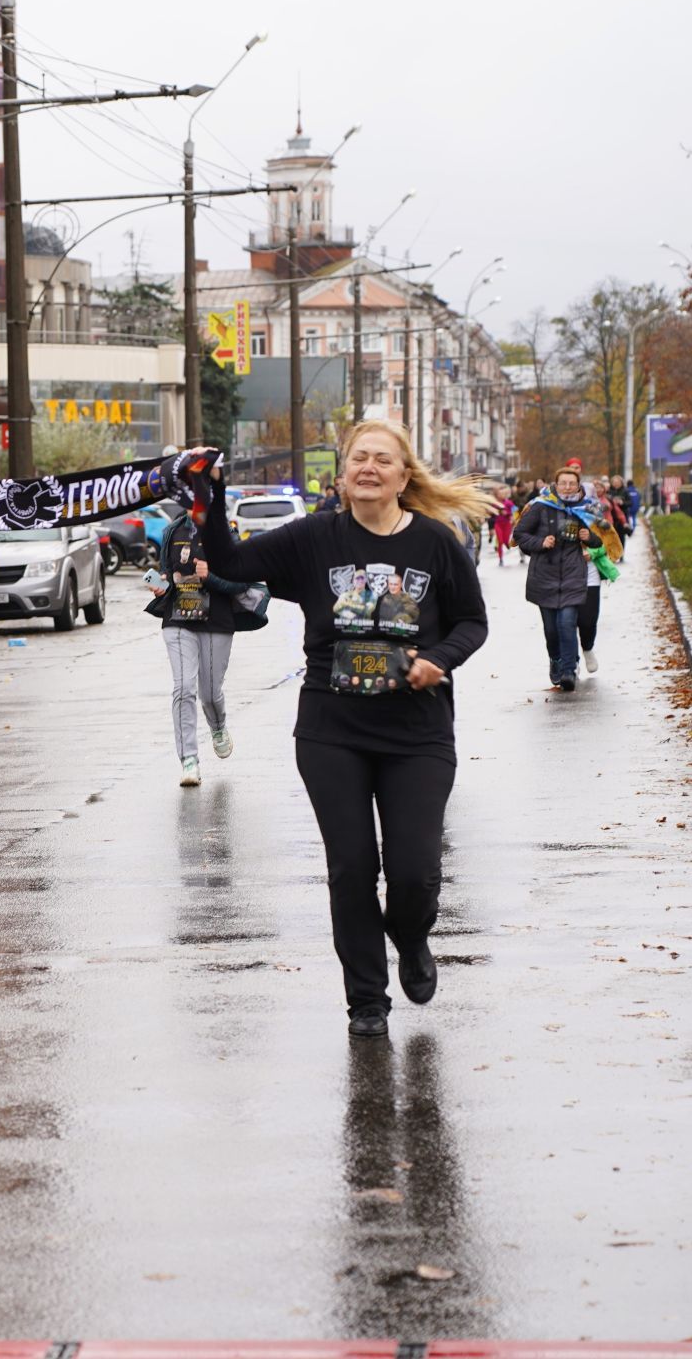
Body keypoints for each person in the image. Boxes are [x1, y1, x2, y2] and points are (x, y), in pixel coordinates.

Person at [198, 421, 491, 1039]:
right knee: (352, 868)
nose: (369, 468)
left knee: (413, 871)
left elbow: (472, 621)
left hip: (418, 733)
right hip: (332, 730)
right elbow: (230, 564)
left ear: (403, 476)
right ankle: (366, 1000)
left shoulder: (436, 543)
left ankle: (411, 936)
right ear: (342, 474)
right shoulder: (314, 538)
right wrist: (211, 494)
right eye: (360, 458)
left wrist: (439, 659)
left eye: (383, 459)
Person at [146, 512, 244, 786]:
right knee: (183, 688)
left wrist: (210, 577)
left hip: (216, 620)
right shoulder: (172, 531)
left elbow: (241, 582)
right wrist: (162, 585)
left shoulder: (226, 532)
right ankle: (189, 760)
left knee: (209, 694)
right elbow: (167, 572)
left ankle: (218, 726)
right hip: (178, 619)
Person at [515, 465, 600, 691]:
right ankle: (556, 659)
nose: (567, 487)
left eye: (572, 483)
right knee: (551, 629)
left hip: (573, 575)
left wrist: (589, 537)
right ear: (556, 484)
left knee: (567, 623)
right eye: (563, 483)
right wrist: (540, 543)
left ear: (578, 486)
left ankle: (569, 670)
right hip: (545, 575)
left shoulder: (586, 508)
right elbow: (520, 534)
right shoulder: (541, 506)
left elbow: (603, 538)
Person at [489, 484, 519, 565]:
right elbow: (490, 513)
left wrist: (511, 516)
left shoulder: (508, 502)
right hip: (498, 524)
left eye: (502, 494)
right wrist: (494, 511)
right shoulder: (495, 503)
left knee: (505, 540)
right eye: (499, 494)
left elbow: (515, 510)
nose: (501, 495)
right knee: (500, 541)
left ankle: (507, 544)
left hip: (507, 525)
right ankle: (500, 559)